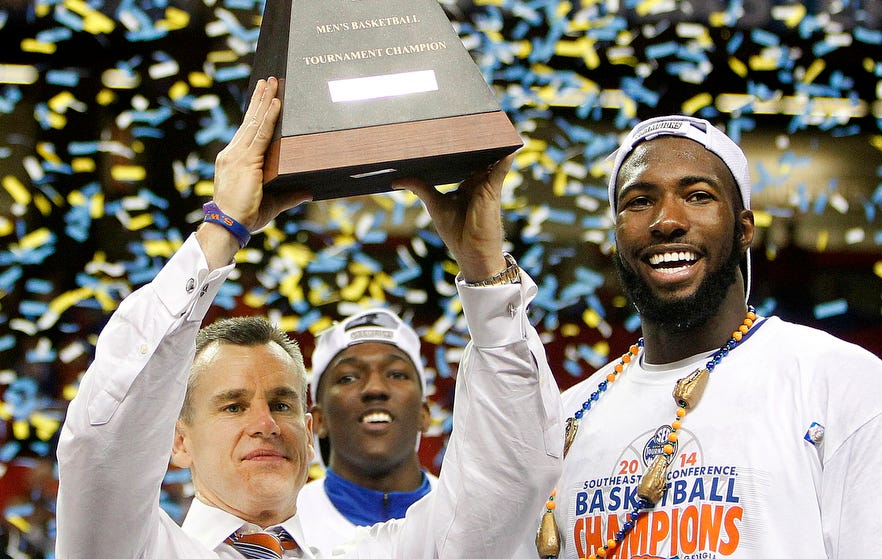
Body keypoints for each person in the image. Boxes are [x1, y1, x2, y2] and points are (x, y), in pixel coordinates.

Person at [55, 76, 563, 558]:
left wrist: (485, 272)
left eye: (282, 404)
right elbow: (100, 449)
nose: (265, 424)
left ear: (311, 426)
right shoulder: (132, 548)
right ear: (178, 440)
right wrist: (220, 232)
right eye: (232, 406)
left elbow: (511, 479)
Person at [508, 115, 882, 559]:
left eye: (698, 196)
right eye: (639, 201)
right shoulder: (570, 416)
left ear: (744, 230)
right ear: (616, 237)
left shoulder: (842, 385)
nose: (666, 221)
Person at [297, 308, 437, 551]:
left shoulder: (474, 515)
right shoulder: (280, 526)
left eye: (396, 374)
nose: (375, 388)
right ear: (318, 421)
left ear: (423, 414)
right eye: (348, 378)